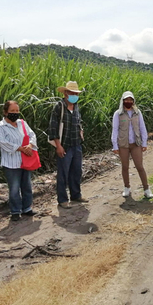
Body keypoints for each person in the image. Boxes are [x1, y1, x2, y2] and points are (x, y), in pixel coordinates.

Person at [0, 100, 38, 221]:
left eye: (17, 111)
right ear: (5, 112)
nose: (15, 113)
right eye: (12, 111)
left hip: (25, 160)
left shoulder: (22, 123)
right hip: (11, 163)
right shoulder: (0, 127)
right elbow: (3, 143)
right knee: (14, 188)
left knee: (27, 185)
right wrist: (20, 148)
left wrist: (30, 146)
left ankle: (27, 208)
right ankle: (15, 211)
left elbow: (32, 135)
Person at [48, 81, 88, 209]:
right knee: (63, 173)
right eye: (71, 93)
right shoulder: (59, 107)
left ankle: (76, 195)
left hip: (76, 145)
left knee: (76, 171)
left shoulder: (76, 106)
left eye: (76, 93)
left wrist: (81, 131)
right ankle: (62, 199)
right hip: (64, 146)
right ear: (65, 93)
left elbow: (79, 121)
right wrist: (58, 146)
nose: (74, 95)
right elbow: (53, 128)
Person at [111, 91, 153, 198]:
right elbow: (115, 130)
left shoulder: (137, 113)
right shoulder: (118, 114)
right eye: (126, 99)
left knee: (140, 166)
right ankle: (127, 188)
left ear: (133, 101)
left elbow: (142, 128)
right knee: (125, 167)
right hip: (123, 144)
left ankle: (146, 189)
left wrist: (144, 143)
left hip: (136, 144)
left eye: (130, 100)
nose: (128, 101)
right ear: (123, 101)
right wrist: (115, 145)